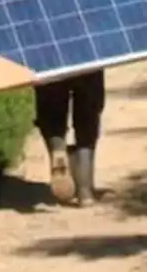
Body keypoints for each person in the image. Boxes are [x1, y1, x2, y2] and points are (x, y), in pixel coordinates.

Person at [33, 71, 105, 206]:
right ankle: (85, 190)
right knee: (88, 109)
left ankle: (57, 148)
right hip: (85, 56)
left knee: (50, 105)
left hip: (47, 61)